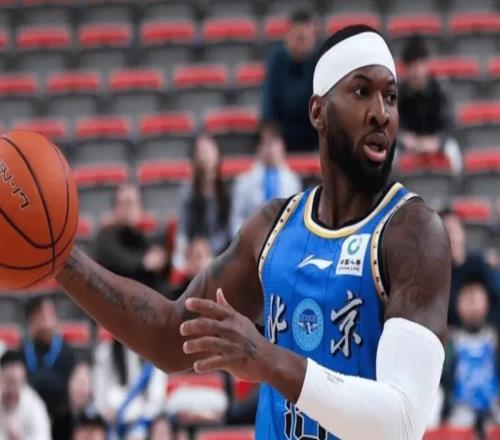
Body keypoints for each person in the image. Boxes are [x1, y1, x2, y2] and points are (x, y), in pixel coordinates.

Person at [56, 25, 451, 440]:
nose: (381, 113)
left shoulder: (414, 233)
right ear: (318, 112)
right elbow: (171, 337)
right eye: (362, 91)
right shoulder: (273, 228)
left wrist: (268, 360)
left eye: (391, 97)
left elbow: (402, 423)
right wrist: (61, 261)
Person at [443, 277, 500, 433]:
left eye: (476, 296)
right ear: (457, 304)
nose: (471, 300)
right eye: (466, 296)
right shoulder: (450, 342)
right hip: (459, 414)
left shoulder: (495, 339)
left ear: (487, 302)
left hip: (494, 411)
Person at [398, 35, 462, 174]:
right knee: (392, 156)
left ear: (426, 65)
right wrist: (405, 138)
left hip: (435, 141)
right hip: (409, 143)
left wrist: (437, 141)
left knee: (453, 151)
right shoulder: (399, 93)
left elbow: (450, 124)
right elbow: (394, 125)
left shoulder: (440, 89)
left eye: (418, 66)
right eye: (411, 67)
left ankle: (456, 185)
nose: (415, 72)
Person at [230, 123, 302, 236]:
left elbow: (297, 220)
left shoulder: (293, 181)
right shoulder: (244, 181)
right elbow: (236, 218)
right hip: (253, 240)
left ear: (282, 146)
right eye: (266, 143)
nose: (271, 149)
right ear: (258, 148)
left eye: (274, 142)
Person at [262, 8, 318, 152]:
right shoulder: (276, 61)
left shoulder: (320, 61)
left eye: (306, 38)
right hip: (282, 136)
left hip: (315, 136)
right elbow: (268, 105)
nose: (302, 43)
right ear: (287, 37)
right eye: (298, 38)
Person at [172, 133, 231, 268]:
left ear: (217, 154)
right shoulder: (188, 191)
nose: (205, 155)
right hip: (194, 254)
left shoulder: (228, 191)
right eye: (201, 151)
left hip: (222, 253)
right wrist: (183, 254)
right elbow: (183, 229)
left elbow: (230, 229)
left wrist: (211, 250)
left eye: (208, 150)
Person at [95, 183, 167, 291]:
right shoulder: (105, 237)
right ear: (115, 208)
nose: (127, 209)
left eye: (131, 203)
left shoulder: (147, 236)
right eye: (122, 203)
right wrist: (145, 262)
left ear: (141, 208)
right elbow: (121, 262)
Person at [93, 337, 166, 439]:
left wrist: (141, 421)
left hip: (142, 424)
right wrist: (105, 410)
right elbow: (99, 392)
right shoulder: (105, 352)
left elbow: (157, 398)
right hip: (111, 423)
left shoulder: (153, 355)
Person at [22, 295, 76, 420]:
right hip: (28, 419)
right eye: (40, 317)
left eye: (50, 316)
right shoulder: (22, 354)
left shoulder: (67, 353)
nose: (46, 324)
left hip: (61, 420)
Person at [440, 208, 497, 327]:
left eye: (454, 231)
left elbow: (496, 299)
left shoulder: (478, 264)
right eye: (445, 233)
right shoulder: (435, 275)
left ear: (463, 232)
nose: (451, 238)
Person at [0, 350, 51, 440]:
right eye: (9, 381)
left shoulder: (34, 404)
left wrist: (17, 437)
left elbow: (43, 436)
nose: (12, 389)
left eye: (17, 382)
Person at [53, 360, 95, 440]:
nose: (79, 389)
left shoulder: (96, 421)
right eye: (76, 381)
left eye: (83, 383)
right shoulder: (59, 419)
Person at [167, 236, 213, 301]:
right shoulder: (179, 292)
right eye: (199, 256)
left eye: (207, 255)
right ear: (189, 261)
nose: (205, 261)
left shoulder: (217, 288)